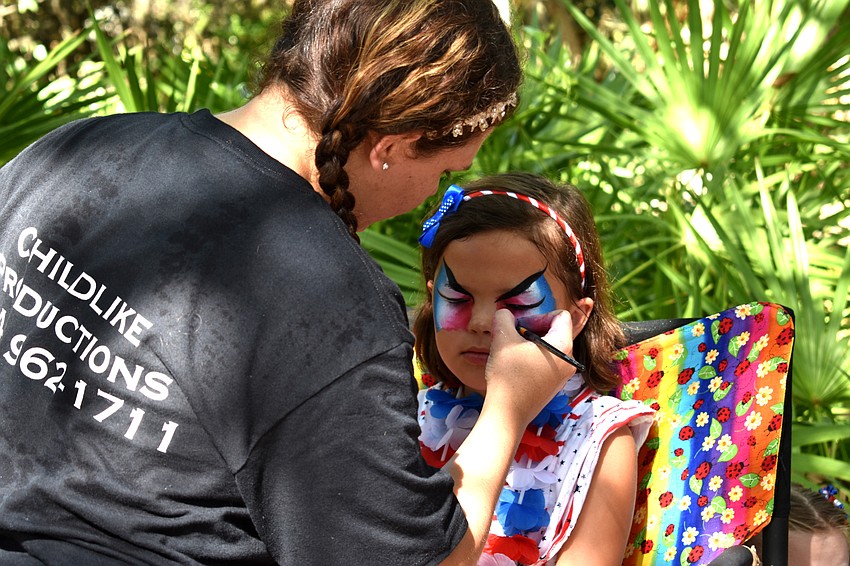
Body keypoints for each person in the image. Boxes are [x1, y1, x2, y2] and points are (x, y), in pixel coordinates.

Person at [0, 1, 579, 564]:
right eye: (445, 171)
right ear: (392, 148)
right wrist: (508, 405)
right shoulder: (328, 304)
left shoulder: (75, 149)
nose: (433, 195)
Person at [411, 173, 656, 565]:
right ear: (430, 296)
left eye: (519, 303)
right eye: (457, 296)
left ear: (575, 319)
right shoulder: (409, 414)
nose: (483, 321)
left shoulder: (600, 440)